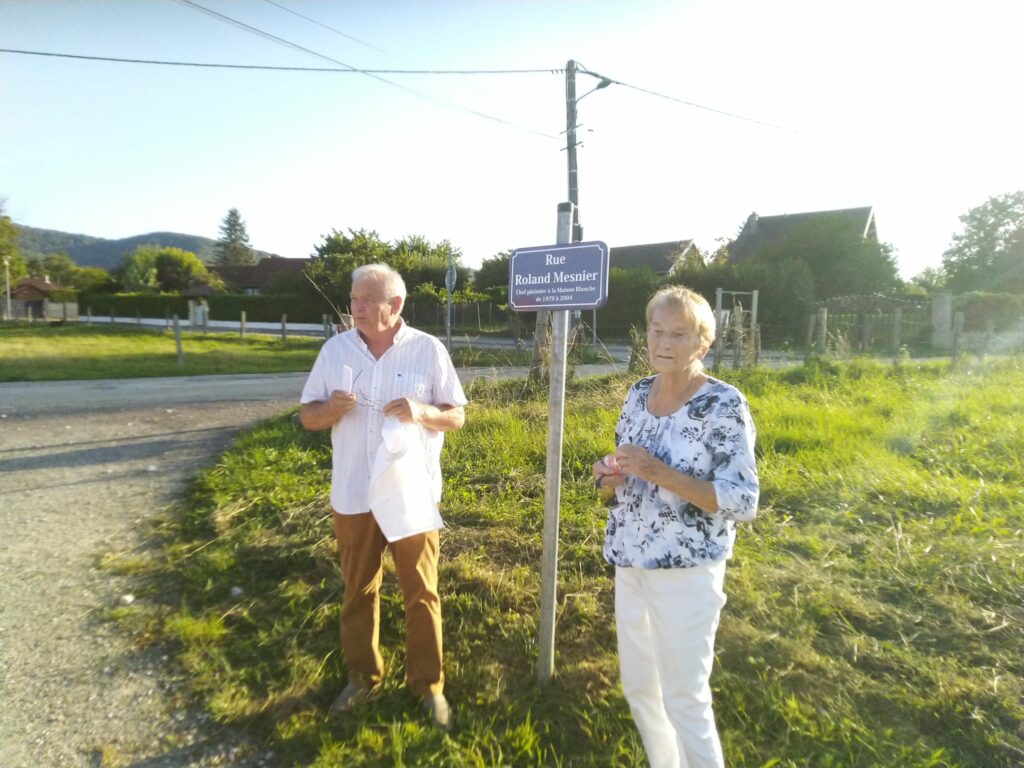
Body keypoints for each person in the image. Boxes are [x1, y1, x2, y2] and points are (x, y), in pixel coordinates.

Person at [592, 285, 759, 768]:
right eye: (656, 331)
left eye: (679, 334)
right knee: (640, 688)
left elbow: (742, 499)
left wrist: (656, 471)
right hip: (631, 560)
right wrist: (610, 477)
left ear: (702, 345)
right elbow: (623, 479)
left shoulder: (723, 404)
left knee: (684, 696)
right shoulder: (638, 392)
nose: (663, 343)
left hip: (687, 570)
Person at [299, 263, 467, 731]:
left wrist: (422, 410)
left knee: (421, 592)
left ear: (395, 306)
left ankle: (429, 688)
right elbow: (308, 416)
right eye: (354, 299)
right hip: (353, 494)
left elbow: (457, 417)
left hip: (411, 495)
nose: (356, 307)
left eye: (367, 300)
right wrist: (329, 409)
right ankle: (362, 676)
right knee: (358, 590)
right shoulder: (335, 350)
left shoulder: (428, 350)